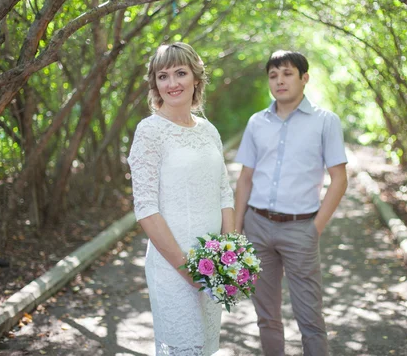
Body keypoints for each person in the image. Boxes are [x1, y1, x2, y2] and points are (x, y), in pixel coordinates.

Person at [234, 50, 348, 356]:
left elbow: (339, 179)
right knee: (266, 317)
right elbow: (245, 178)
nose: (279, 81)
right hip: (257, 226)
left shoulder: (325, 122)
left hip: (300, 228)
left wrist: (315, 229)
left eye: (286, 73)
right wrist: (235, 231)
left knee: (310, 318)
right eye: (273, 75)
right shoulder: (257, 122)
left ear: (304, 78)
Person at [127, 42, 234, 355]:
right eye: (163, 76)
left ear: (196, 79)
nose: (171, 83)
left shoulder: (209, 130)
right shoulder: (149, 132)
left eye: (180, 73)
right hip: (173, 264)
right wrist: (188, 268)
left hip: (214, 263)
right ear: (155, 84)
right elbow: (146, 209)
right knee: (184, 348)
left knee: (207, 346)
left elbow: (224, 192)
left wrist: (226, 253)